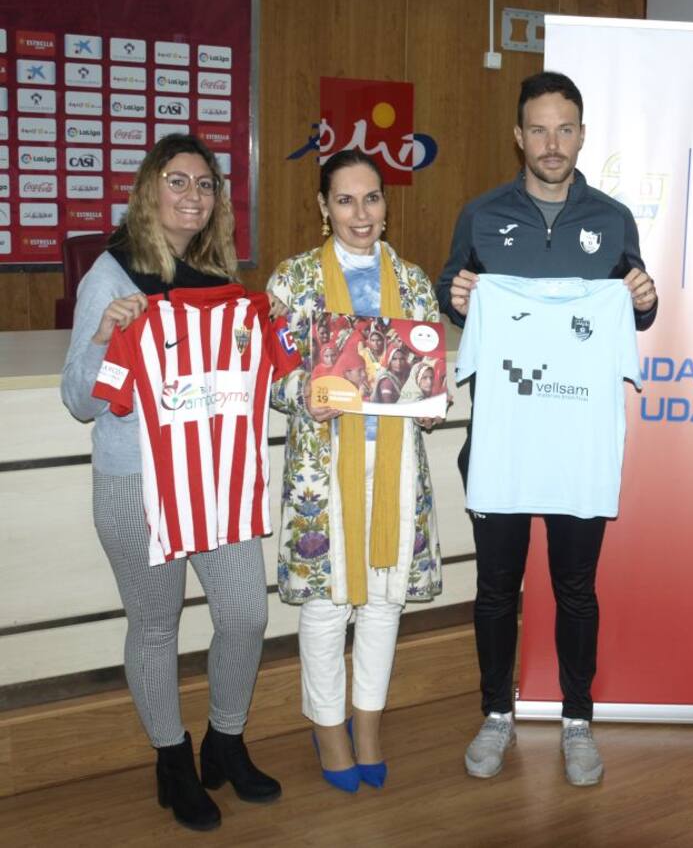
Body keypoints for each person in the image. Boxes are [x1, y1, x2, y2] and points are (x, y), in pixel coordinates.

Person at [435, 70, 657, 787]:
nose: (552, 143)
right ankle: (496, 712)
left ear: (582, 135)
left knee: (576, 588)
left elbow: (638, 307)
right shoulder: (481, 215)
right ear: (518, 136)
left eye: (565, 129)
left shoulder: (614, 218)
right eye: (538, 129)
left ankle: (577, 721)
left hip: (577, 448)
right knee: (497, 587)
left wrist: (645, 301)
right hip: (502, 444)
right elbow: (452, 292)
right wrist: (459, 294)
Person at [60, 134, 280, 831]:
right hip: (138, 483)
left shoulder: (219, 275)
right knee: (156, 627)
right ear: (150, 190)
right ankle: (172, 762)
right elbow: (77, 400)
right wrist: (102, 337)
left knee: (246, 613)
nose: (193, 195)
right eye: (178, 180)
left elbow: (252, 377)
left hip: (213, 478)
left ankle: (225, 739)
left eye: (206, 184)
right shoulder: (113, 275)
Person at [268, 148, 444, 793]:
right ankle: (329, 727)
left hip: (397, 465)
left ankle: (369, 723)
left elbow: (427, 374)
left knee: (384, 602)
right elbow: (272, 378)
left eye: (372, 198)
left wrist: (430, 403)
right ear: (323, 207)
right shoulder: (294, 283)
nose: (360, 213)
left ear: (386, 204)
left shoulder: (415, 282)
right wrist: (301, 394)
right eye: (345, 200)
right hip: (323, 466)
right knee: (326, 605)